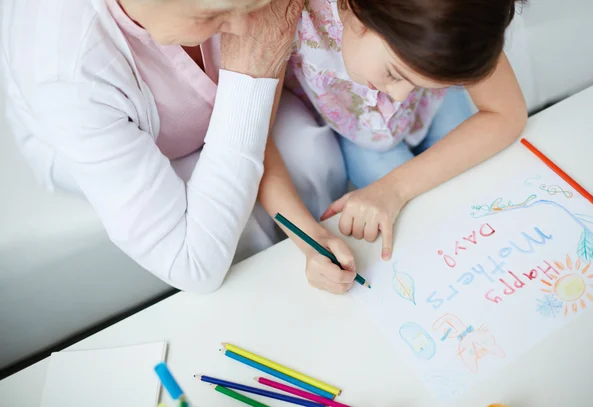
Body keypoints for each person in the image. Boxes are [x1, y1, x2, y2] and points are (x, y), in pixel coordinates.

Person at [0, 0, 347, 294]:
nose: (246, 28)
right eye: (210, 16)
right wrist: (250, 74)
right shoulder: (66, 71)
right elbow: (193, 266)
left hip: (220, 96)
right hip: (122, 140)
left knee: (310, 148)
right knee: (238, 232)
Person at [265, 0, 528, 293]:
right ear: (359, 10)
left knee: (478, 194)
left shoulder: (454, 14)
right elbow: (255, 142)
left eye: (418, 82)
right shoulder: (282, 17)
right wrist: (311, 241)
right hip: (362, 135)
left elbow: (507, 114)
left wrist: (395, 188)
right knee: (423, 235)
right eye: (394, 73)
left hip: (434, 107)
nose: (400, 97)